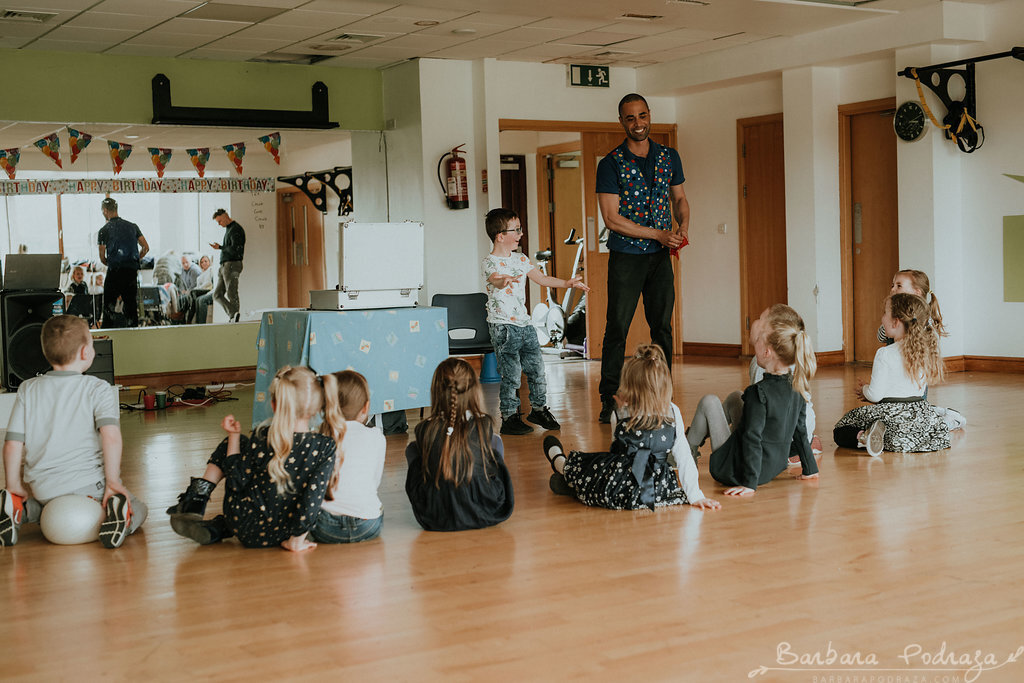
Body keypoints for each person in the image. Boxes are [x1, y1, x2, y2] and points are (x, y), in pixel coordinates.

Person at [1, 315, 147, 547]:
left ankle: (20, 507)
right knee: (139, 507)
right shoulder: (98, 389)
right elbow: (110, 436)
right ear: (85, 352)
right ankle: (120, 518)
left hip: (43, 488)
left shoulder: (28, 389)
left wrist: (13, 485)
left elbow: (12, 444)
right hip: (88, 484)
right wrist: (112, 482)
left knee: (46, 511)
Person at [166, 366, 340, 551]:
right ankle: (217, 525)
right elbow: (312, 500)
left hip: (245, 525)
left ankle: (196, 501)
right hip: (283, 532)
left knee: (239, 442)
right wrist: (296, 541)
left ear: (274, 405)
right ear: (317, 408)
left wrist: (233, 437)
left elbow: (236, 480)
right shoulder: (325, 446)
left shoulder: (262, 436)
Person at [595, 93, 689, 423]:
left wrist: (682, 226)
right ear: (622, 121)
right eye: (631, 118)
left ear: (650, 116)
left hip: (659, 258)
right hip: (626, 256)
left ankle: (663, 393)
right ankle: (609, 397)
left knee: (662, 327)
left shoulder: (668, 156)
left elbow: (680, 199)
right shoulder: (610, 164)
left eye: (642, 115)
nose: (638, 123)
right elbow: (611, 219)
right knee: (617, 327)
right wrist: (657, 234)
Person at [542, 345, 720, 511]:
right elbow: (682, 455)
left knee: (584, 475)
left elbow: (682, 455)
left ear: (630, 386)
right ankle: (560, 463)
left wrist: (696, 495)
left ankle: (564, 472)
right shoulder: (660, 412)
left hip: (634, 485)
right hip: (640, 483)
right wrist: (695, 495)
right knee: (585, 472)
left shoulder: (629, 412)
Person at [687, 304, 818, 496]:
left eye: (758, 341)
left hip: (738, 471)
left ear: (767, 352)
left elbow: (752, 437)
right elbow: (800, 433)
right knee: (735, 397)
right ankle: (689, 445)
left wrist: (749, 484)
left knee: (709, 402)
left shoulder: (758, 392)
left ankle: (686, 451)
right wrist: (810, 469)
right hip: (772, 467)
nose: (754, 341)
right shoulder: (797, 389)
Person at [482, 207, 590, 435]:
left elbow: (542, 278)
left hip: (525, 324)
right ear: (500, 236)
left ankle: (539, 409)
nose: (521, 234)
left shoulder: (521, 259)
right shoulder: (490, 262)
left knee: (537, 369)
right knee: (511, 374)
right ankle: (509, 417)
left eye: (520, 229)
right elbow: (496, 280)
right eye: (516, 230)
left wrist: (567, 283)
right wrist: (503, 281)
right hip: (503, 326)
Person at [404, 358, 514, 531]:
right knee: (494, 444)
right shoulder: (484, 424)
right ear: (474, 390)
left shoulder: (425, 428)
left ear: (436, 391)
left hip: (436, 516)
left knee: (413, 449)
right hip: (485, 509)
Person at [834, 293, 950, 456]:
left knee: (841, 429)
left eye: (885, 313)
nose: (882, 318)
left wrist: (865, 390)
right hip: (917, 416)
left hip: (890, 417)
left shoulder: (885, 353)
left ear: (895, 322)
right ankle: (901, 438)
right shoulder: (924, 352)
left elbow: (875, 395)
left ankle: (865, 437)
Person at [875, 269, 963, 430]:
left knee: (915, 407)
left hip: (912, 373)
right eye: (892, 285)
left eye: (899, 285)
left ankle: (946, 420)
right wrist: (889, 323)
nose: (893, 289)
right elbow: (881, 336)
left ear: (917, 292)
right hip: (894, 372)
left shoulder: (921, 319)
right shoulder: (894, 315)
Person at [311, 370, 386, 544]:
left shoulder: (318, 436)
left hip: (324, 527)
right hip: (367, 525)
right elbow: (374, 481)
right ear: (365, 407)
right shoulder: (376, 436)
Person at [748, 305, 822, 465]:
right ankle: (808, 443)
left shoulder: (766, 364)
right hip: (801, 433)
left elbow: (761, 416)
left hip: (782, 442)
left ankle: (793, 453)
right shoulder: (791, 357)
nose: (755, 323)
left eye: (761, 321)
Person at [97, 197, 149, 328]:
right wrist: (136, 259)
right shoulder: (133, 227)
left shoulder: (104, 230)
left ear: (105, 211)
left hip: (114, 271)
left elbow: (102, 257)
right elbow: (145, 248)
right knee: (131, 305)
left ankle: (107, 332)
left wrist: (111, 263)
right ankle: (133, 333)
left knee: (109, 305)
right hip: (130, 271)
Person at [210, 208, 245, 322]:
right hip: (225, 266)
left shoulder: (236, 229)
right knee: (216, 295)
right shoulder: (230, 229)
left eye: (220, 221)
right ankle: (233, 314)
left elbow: (235, 249)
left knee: (232, 292)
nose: (219, 224)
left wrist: (220, 247)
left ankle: (234, 317)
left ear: (225, 216)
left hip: (232, 264)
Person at [184, 255, 215, 324]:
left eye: (206, 261)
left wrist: (198, 288)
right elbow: (198, 286)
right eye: (202, 262)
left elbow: (208, 283)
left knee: (194, 293)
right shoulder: (201, 274)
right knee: (195, 297)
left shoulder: (211, 270)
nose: (204, 263)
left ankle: (189, 318)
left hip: (208, 289)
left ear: (209, 262)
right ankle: (196, 321)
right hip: (201, 290)